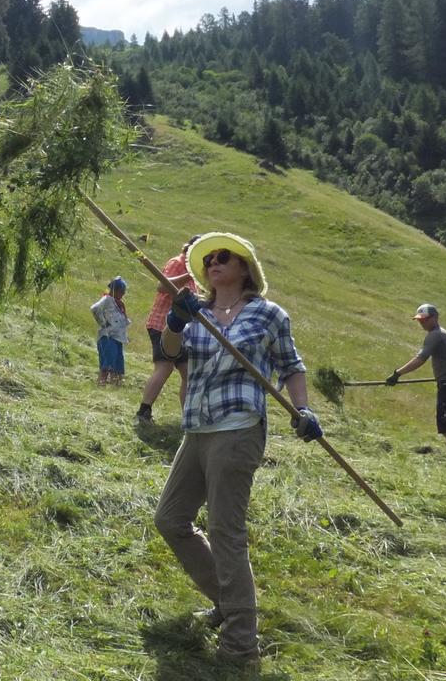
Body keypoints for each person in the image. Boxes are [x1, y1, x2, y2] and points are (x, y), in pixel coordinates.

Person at [154, 232, 321, 666]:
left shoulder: (268, 315)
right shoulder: (199, 312)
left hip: (239, 427)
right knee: (171, 518)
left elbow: (291, 367)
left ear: (245, 267)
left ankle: (241, 646)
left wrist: (301, 409)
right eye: (207, 258)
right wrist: (175, 322)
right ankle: (228, 604)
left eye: (223, 257)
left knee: (226, 531)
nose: (213, 262)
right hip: (197, 427)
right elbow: (172, 354)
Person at [387, 303, 446, 456]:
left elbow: (420, 359)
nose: (422, 323)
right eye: (419, 320)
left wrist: (397, 374)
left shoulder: (435, 335)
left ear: (435, 318)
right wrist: (444, 373)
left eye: (425, 320)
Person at [137, 235, 201, 423]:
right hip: (162, 324)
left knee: (188, 372)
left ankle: (188, 418)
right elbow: (162, 285)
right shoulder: (178, 262)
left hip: (183, 330)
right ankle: (144, 410)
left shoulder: (198, 272)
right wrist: (189, 274)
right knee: (164, 367)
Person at [90, 276, 130, 385]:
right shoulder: (107, 299)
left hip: (118, 339)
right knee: (107, 366)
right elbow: (95, 308)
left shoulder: (120, 304)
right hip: (108, 337)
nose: (123, 294)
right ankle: (101, 384)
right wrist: (103, 322)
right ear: (115, 290)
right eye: (121, 291)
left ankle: (115, 389)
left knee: (117, 368)